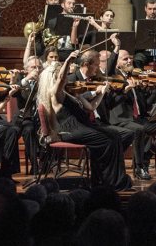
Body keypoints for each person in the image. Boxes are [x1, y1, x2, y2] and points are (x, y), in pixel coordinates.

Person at [37, 51, 132, 190]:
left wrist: (102, 92)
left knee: (115, 135)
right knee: (106, 140)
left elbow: (91, 107)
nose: (67, 78)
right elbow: (61, 80)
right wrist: (69, 59)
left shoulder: (72, 92)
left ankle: (106, 180)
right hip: (70, 130)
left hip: (83, 126)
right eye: (64, 76)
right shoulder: (55, 94)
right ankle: (108, 182)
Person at [107, 50, 156, 180]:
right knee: (139, 130)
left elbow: (146, 104)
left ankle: (147, 154)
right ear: (117, 64)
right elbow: (112, 100)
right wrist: (126, 90)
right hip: (122, 119)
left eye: (130, 58)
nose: (129, 61)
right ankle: (139, 167)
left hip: (139, 119)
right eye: (125, 59)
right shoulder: (114, 78)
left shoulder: (134, 78)